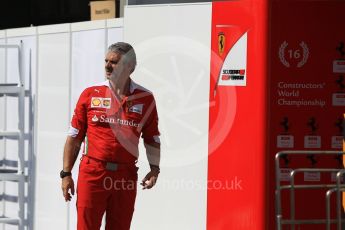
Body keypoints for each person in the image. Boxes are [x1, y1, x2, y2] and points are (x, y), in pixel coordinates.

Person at [60, 42, 161, 230]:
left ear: (130, 67)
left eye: (114, 62)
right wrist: (66, 174)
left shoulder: (145, 98)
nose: (107, 66)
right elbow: (74, 137)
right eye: (106, 61)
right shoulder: (90, 94)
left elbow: (152, 138)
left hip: (126, 175)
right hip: (93, 173)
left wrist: (155, 169)